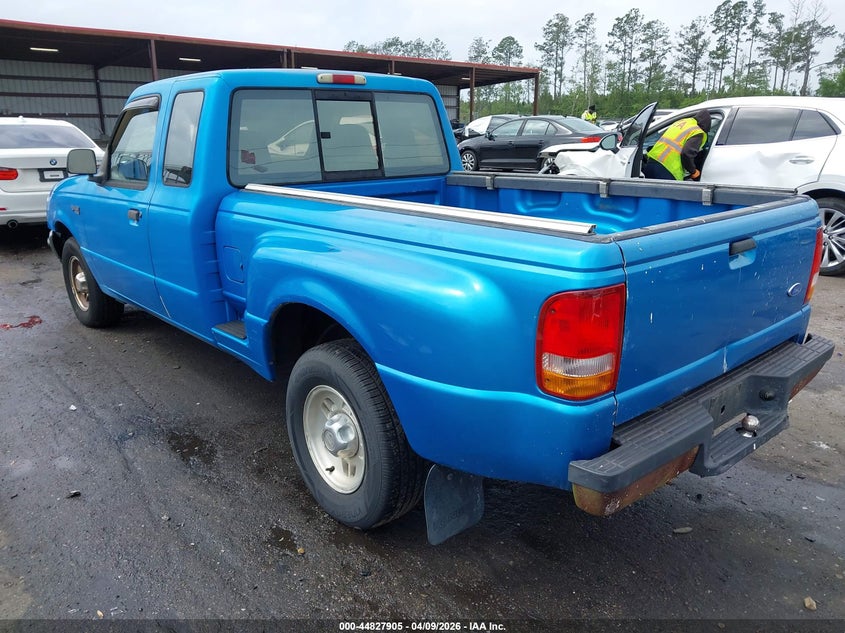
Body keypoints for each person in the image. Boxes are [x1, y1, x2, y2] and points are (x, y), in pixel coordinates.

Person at [642, 109, 712, 181]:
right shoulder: (698, 132)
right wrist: (693, 171)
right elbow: (686, 154)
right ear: (706, 126)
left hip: (652, 161)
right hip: (668, 169)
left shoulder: (683, 122)